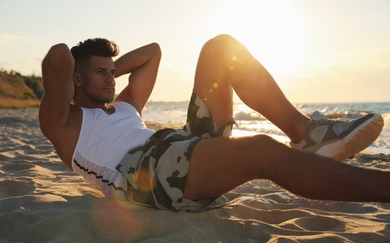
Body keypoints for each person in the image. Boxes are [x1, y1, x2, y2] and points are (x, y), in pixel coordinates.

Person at [39, 34, 389, 211]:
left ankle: (306, 133)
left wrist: (106, 70)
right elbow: (57, 55)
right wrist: (82, 70)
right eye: (101, 73)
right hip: (144, 175)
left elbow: (153, 52)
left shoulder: (126, 104)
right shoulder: (64, 123)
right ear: (76, 80)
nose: (112, 79)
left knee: (221, 48)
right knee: (261, 151)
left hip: (180, 147)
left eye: (112, 73)